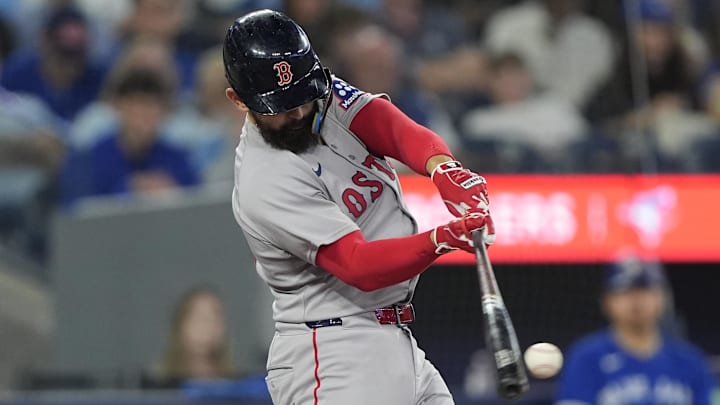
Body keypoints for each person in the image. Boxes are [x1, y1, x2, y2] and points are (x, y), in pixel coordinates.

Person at [224, 10, 495, 404]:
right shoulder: (264, 179)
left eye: (301, 96)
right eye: (279, 107)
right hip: (333, 352)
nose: (298, 111)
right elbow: (360, 265)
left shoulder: (312, 90)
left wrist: (443, 169)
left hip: (393, 338)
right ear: (237, 99)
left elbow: (381, 121)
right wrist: (441, 238)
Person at [555, 257, 717, 405]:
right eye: (625, 291)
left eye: (645, 289)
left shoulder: (690, 361)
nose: (636, 300)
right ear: (607, 301)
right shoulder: (587, 358)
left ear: (662, 297)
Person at [62, 68, 198, 204]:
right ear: (118, 107)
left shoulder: (177, 160)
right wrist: (128, 190)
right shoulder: (90, 161)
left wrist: (175, 193)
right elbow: (74, 212)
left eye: (152, 106)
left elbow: (198, 204)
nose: (145, 116)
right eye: (137, 105)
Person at [0, 6, 106, 122]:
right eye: (63, 56)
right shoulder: (18, 73)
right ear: (45, 42)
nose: (69, 66)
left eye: (76, 55)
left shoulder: (99, 78)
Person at [155, 286, 235, 383]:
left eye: (216, 317)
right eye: (200, 318)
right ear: (181, 324)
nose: (209, 326)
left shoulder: (236, 384)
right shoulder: (159, 382)